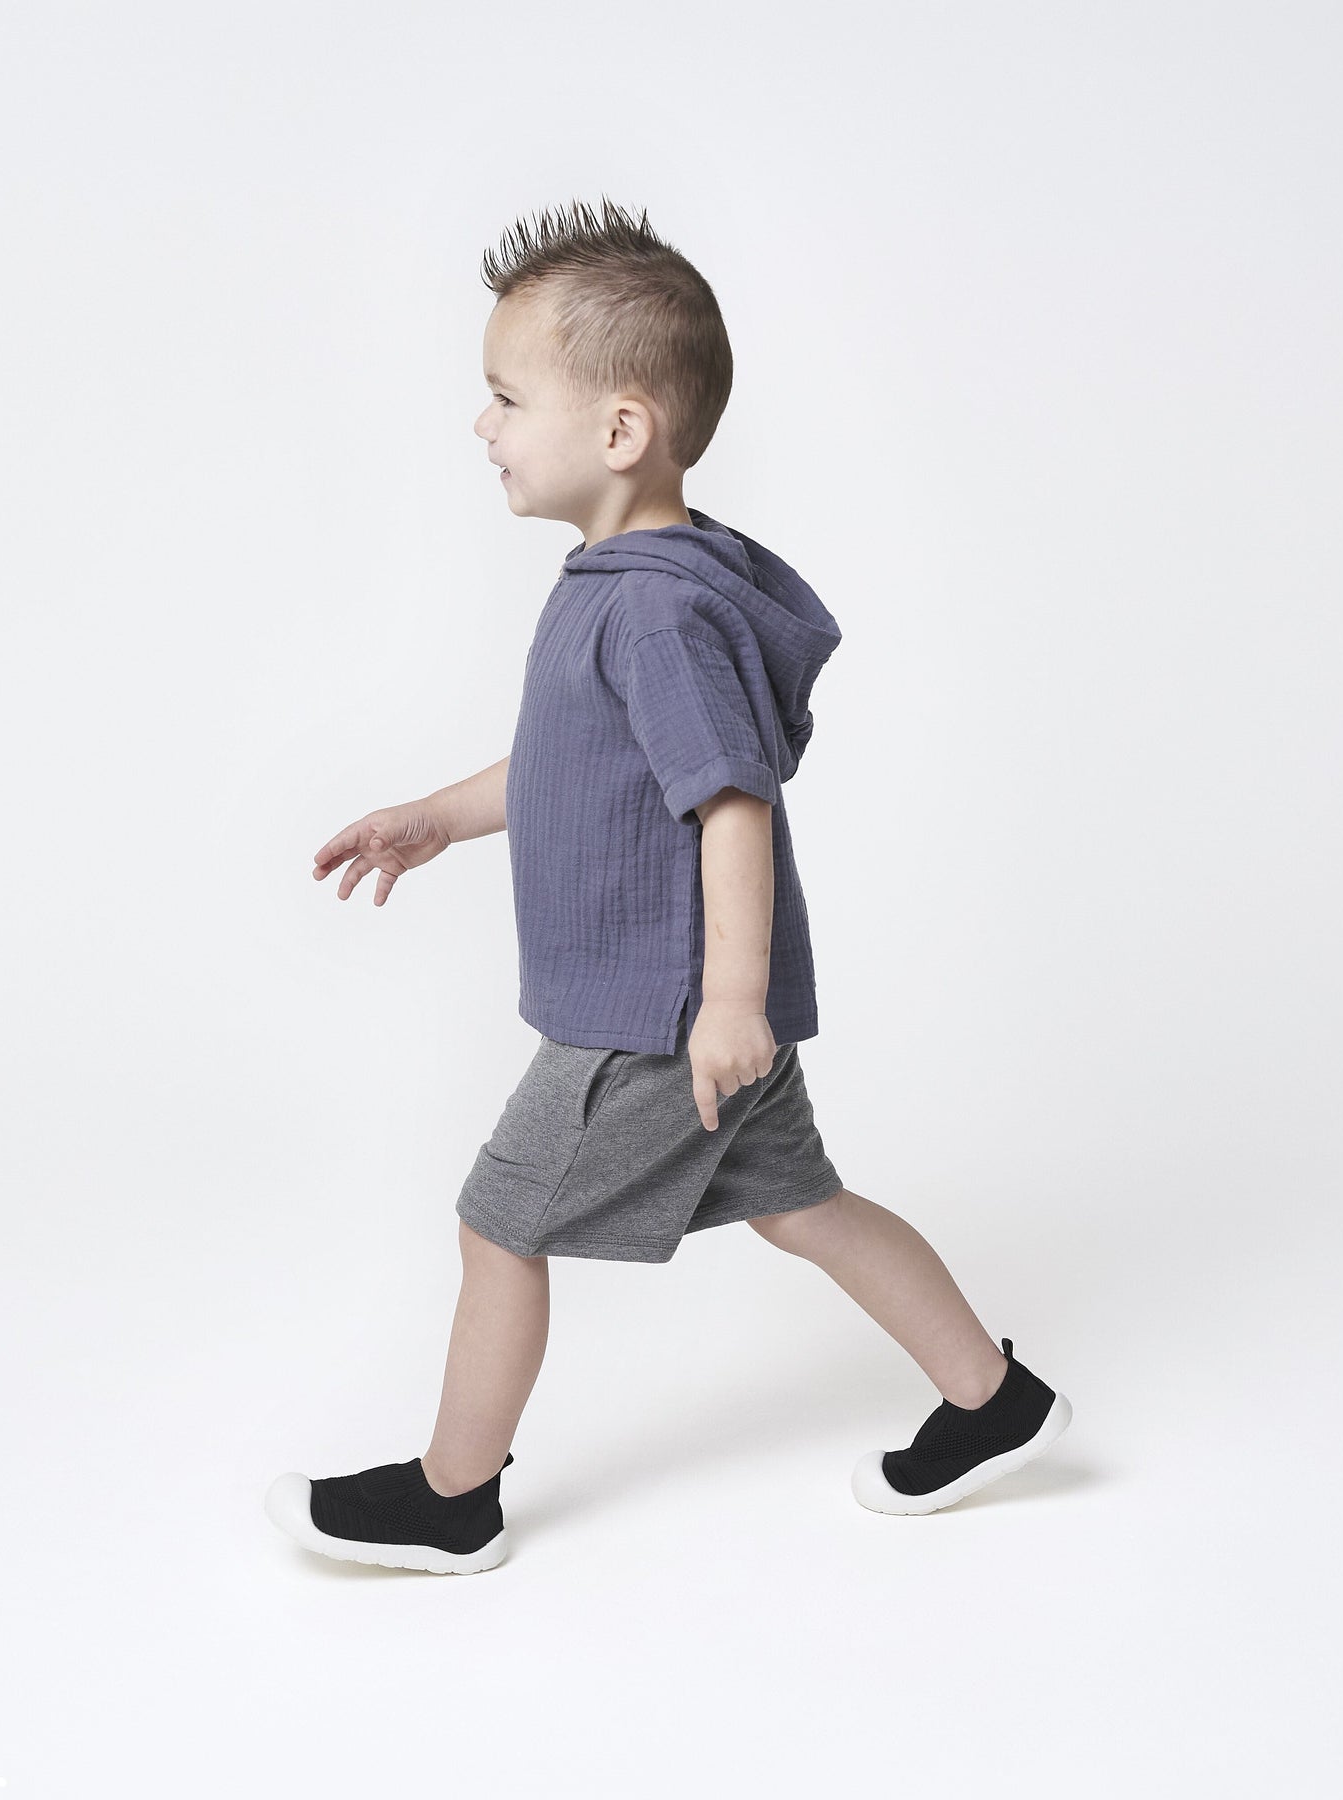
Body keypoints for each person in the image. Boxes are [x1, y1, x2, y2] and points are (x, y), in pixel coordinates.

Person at [264, 198, 1072, 1575]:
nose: (482, 424)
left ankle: (452, 1500)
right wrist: (437, 819)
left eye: (507, 397)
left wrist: (729, 1002)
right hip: (687, 1010)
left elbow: (732, 801)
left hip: (654, 1019)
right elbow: (572, 764)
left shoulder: (653, 607)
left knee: (496, 1225)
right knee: (800, 1204)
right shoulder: (615, 583)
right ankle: (993, 1403)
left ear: (621, 430)